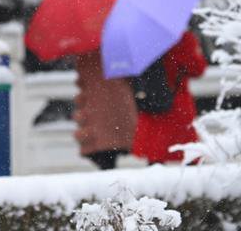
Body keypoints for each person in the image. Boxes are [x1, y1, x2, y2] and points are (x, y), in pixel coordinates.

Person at [131, 31, 207, 165]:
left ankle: (157, 185)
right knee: (189, 153)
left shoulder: (143, 39)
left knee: (155, 156)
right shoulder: (181, 38)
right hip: (177, 101)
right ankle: (192, 185)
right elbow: (197, 69)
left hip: (152, 99)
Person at [72, 50, 138, 170]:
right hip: (119, 105)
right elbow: (131, 77)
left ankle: (108, 181)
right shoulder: (118, 51)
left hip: (96, 108)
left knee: (103, 152)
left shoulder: (86, 53)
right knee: (112, 147)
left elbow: (82, 81)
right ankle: (111, 179)